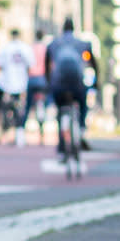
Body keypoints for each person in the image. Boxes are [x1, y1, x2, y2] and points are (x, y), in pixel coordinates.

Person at [43, 19, 90, 156]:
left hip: (59, 84)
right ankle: (81, 129)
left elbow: (47, 65)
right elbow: (93, 63)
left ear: (62, 29)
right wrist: (96, 82)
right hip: (77, 83)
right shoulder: (82, 43)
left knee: (61, 110)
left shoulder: (53, 44)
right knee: (82, 104)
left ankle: (62, 145)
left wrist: (49, 83)